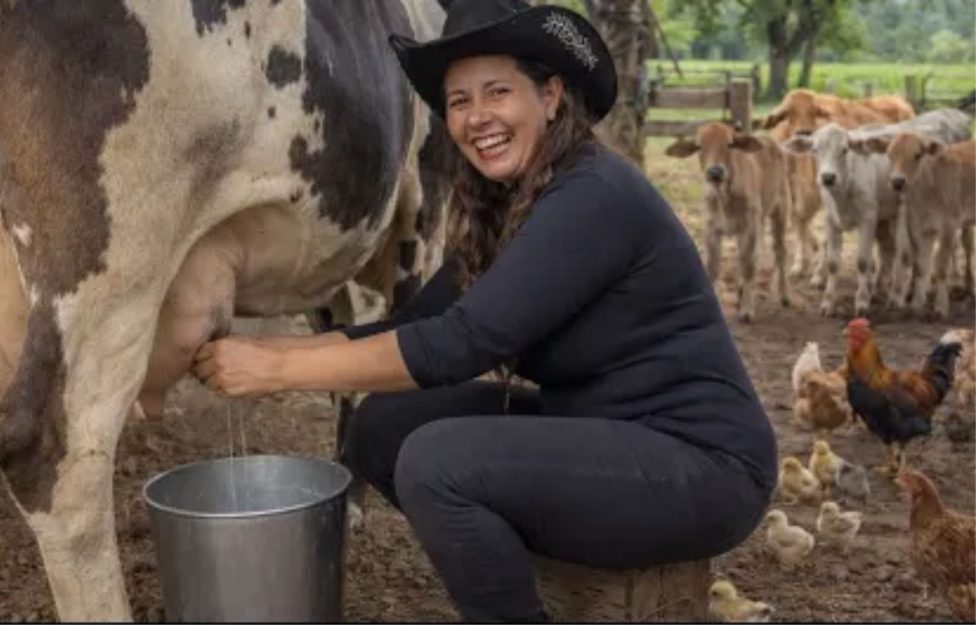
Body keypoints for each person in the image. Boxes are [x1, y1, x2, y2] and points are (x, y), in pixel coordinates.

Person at [192, 0, 777, 621]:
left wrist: (276, 374)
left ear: (551, 96)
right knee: (382, 426)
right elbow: (412, 328)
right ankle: (530, 567)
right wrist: (268, 350)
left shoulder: (594, 195)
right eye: (459, 102)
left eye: (497, 92)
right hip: (602, 431)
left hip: (703, 465)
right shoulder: (515, 207)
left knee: (437, 465)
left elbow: (460, 345)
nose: (476, 118)